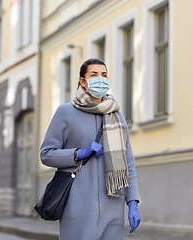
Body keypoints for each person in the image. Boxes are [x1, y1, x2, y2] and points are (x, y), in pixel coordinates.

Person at [40, 58, 141, 240]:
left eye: (104, 75)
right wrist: (79, 153)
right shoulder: (66, 112)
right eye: (94, 75)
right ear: (83, 81)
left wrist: (132, 201)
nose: (100, 79)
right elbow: (46, 154)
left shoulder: (116, 116)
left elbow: (129, 162)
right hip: (77, 206)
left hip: (112, 206)